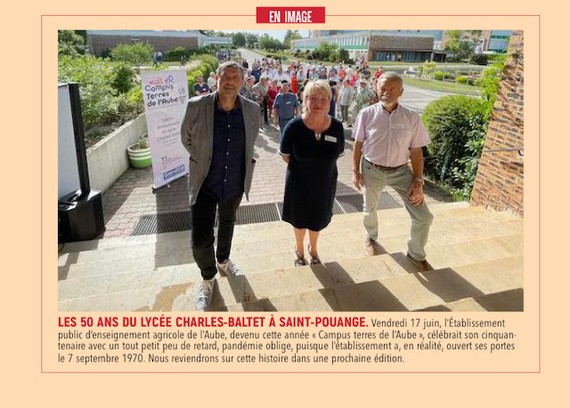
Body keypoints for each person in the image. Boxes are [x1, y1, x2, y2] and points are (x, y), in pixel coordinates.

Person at [180, 61, 260, 311]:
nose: (230, 81)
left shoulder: (252, 110)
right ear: (217, 79)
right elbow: (186, 138)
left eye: (235, 77)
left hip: (235, 180)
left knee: (227, 221)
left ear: (243, 81)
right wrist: (203, 157)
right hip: (205, 181)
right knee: (199, 241)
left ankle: (223, 259)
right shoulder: (196, 106)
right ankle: (208, 276)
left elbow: (251, 140)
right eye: (226, 76)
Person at [352, 72, 433, 271]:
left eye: (392, 89)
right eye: (382, 88)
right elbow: (358, 144)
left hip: (401, 172)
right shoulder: (367, 114)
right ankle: (371, 238)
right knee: (369, 209)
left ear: (401, 92)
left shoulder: (412, 118)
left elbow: (416, 151)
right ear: (377, 89)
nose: (386, 93)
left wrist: (418, 180)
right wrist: (355, 171)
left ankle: (415, 254)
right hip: (372, 169)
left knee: (424, 216)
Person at [279, 80, 345, 267]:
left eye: (323, 99)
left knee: (317, 218)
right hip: (299, 183)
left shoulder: (337, 127)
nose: (318, 103)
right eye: (313, 98)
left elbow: (338, 153)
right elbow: (286, 156)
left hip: (324, 182)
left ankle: (313, 249)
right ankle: (299, 250)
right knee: (299, 219)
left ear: (330, 101)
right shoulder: (293, 127)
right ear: (304, 99)